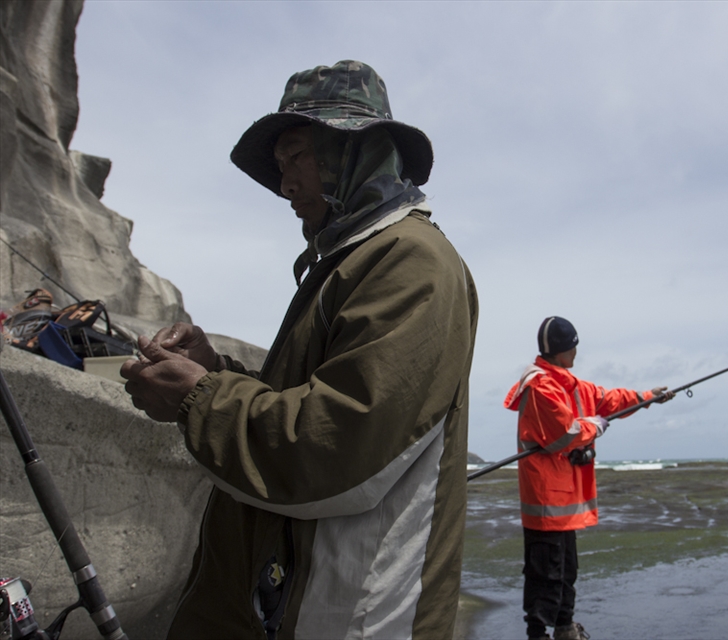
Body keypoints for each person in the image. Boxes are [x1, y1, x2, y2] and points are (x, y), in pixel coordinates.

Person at [121, 60, 479, 640]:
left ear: (351, 150)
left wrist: (199, 398)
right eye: (280, 166)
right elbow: (304, 401)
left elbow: (340, 448)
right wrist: (213, 370)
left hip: (347, 614)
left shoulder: (411, 259)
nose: (284, 184)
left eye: (296, 158)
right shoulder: (350, 260)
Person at [503, 316, 673, 640]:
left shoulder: (570, 384)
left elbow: (609, 399)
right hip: (546, 501)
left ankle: (565, 628)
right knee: (544, 575)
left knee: (566, 570)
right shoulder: (541, 386)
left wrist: (646, 397)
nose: (577, 353)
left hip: (565, 500)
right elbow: (564, 435)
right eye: (573, 347)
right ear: (561, 351)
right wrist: (597, 426)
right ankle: (537, 635)